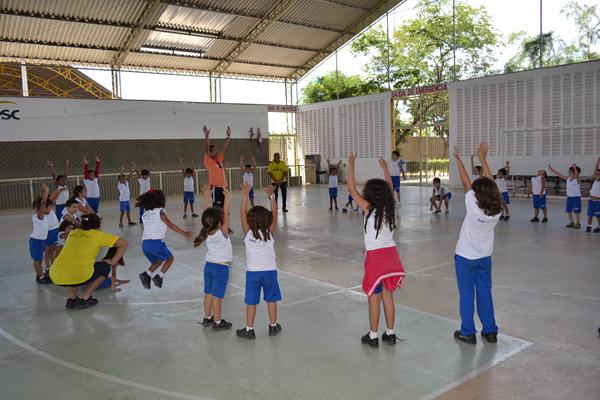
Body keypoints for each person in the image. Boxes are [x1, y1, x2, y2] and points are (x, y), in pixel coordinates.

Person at [347, 154, 405, 348]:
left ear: (370, 194)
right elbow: (391, 186)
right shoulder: (391, 208)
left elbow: (351, 189)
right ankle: (390, 333)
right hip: (392, 257)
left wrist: (351, 165)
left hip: (376, 259)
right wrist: (386, 169)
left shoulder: (368, 207)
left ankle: (373, 336)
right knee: (388, 296)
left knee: (374, 298)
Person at [452, 143, 502, 345]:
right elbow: (492, 185)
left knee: (466, 295)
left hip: (465, 257)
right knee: (484, 292)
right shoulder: (497, 210)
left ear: (477, 193)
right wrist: (482, 158)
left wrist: (458, 160)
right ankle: (490, 331)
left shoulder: (473, 206)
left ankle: (468, 332)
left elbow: (466, 182)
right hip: (484, 257)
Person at [49, 214, 129, 309]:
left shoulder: (73, 233)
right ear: (98, 225)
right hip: (80, 275)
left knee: (75, 266)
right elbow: (124, 243)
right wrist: (112, 262)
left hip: (55, 275)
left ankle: (71, 299)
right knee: (105, 267)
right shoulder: (98, 234)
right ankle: (85, 298)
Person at [236, 182, 282, 340]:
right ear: (267, 219)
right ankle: (273, 326)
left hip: (253, 273)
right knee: (271, 299)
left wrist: (245, 194)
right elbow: (275, 213)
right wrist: (271, 196)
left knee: (251, 302)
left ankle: (249, 329)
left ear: (250, 220)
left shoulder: (248, 234)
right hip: (270, 272)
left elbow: (242, 212)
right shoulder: (270, 233)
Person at [194, 184, 233, 331]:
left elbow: (208, 213)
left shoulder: (207, 229)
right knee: (217, 296)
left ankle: (207, 317)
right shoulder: (222, 232)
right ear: (220, 221)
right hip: (220, 268)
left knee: (209, 293)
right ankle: (217, 322)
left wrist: (207, 196)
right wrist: (227, 197)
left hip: (209, 266)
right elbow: (226, 211)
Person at [137, 190, 192, 289]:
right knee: (170, 258)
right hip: (155, 243)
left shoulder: (145, 214)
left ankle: (146, 274)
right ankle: (159, 277)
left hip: (145, 244)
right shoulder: (160, 212)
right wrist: (184, 233)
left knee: (158, 261)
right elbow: (170, 225)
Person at [203, 125, 231, 208]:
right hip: (216, 188)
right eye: (213, 150)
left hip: (224, 187)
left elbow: (223, 148)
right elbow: (207, 149)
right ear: (210, 153)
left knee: (225, 208)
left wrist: (228, 137)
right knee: (217, 208)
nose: (216, 151)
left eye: (216, 150)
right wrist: (207, 136)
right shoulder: (208, 161)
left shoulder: (218, 159)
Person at [29, 185, 52, 284]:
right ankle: (41, 277)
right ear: (43, 208)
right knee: (37, 260)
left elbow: (41, 201)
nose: (51, 210)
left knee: (39, 259)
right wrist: (46, 192)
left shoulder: (41, 214)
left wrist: (42, 193)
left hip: (41, 240)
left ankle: (39, 274)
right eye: (49, 208)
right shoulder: (40, 215)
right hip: (36, 241)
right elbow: (42, 202)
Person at [548, 163, 582, 229]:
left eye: (570, 172)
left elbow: (577, 175)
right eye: (569, 171)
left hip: (576, 198)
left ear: (574, 173)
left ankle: (578, 223)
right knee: (569, 210)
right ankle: (572, 222)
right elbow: (559, 174)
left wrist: (574, 168)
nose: (568, 172)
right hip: (569, 198)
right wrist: (552, 169)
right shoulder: (568, 178)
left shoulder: (577, 179)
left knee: (576, 211)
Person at [118, 163, 137, 228]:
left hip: (127, 200)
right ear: (120, 179)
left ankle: (129, 221)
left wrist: (132, 170)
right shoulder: (120, 184)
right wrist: (122, 171)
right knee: (122, 212)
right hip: (123, 201)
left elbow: (129, 177)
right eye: (123, 178)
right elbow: (121, 177)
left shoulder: (126, 183)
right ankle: (120, 222)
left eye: (125, 178)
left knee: (128, 211)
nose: (125, 178)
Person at [586, 157, 600, 233]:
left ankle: (599, 226)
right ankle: (589, 226)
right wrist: (598, 161)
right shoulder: (594, 180)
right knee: (590, 214)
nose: (596, 174)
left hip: (598, 201)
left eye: (598, 173)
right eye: (596, 173)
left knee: (598, 215)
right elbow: (595, 170)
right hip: (591, 201)